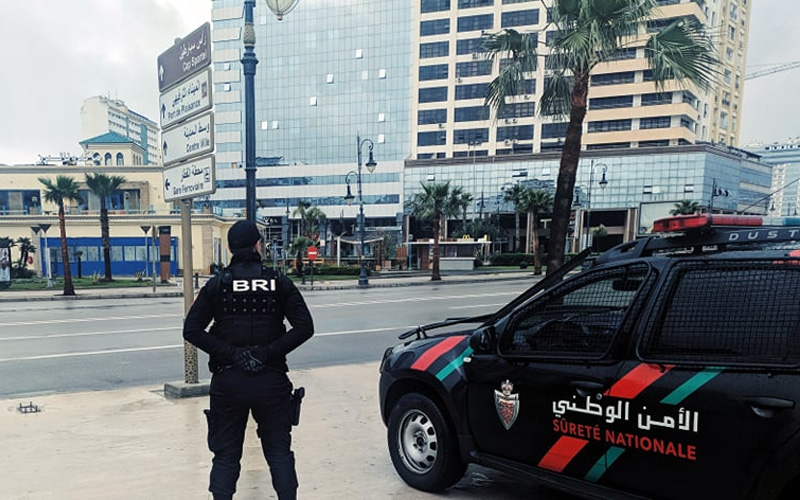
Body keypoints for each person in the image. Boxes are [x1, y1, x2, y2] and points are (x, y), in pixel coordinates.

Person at [184, 220, 314, 500]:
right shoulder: (278, 282)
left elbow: (191, 330)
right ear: (257, 245)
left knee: (225, 457)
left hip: (229, 381)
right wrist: (267, 353)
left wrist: (233, 354)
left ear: (230, 248)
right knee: (279, 453)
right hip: (271, 380)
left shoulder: (218, 284)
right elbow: (305, 327)